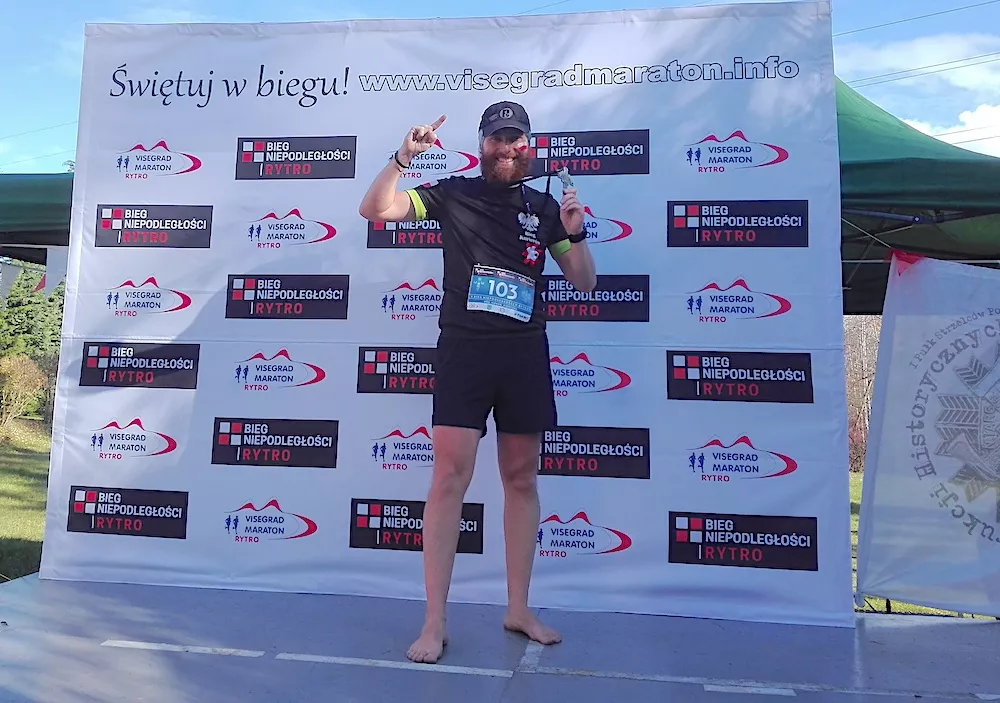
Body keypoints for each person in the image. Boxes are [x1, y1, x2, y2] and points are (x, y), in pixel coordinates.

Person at [358, 101, 597, 664]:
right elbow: (375, 209)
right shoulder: (453, 194)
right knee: (449, 477)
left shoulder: (545, 207)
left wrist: (577, 233)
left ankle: (518, 609)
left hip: (523, 353)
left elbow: (584, 281)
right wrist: (404, 157)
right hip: (465, 351)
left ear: (529, 145)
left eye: (517, 139)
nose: (507, 148)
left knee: (521, 477)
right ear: (482, 144)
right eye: (497, 139)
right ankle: (434, 620)